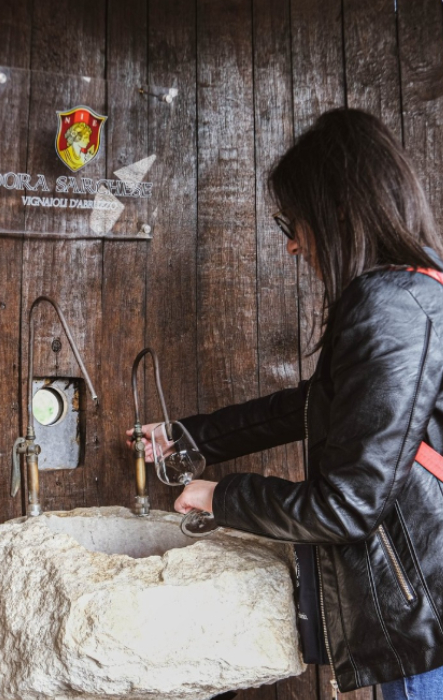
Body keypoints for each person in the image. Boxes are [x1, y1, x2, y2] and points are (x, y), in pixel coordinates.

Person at [137, 108, 443, 700]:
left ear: (338, 210)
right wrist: (192, 439)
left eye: (290, 220)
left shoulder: (391, 308)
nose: (291, 245)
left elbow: (348, 506)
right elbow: (323, 405)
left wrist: (221, 496)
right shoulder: (416, 288)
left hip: (424, 614)